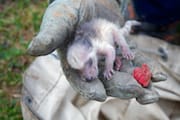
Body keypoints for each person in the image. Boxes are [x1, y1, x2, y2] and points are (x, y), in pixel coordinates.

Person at [21, 0, 180, 120]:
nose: (89, 72)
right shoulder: (84, 52)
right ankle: (155, 14)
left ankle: (159, 19)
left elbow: (110, 50)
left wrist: (112, 63)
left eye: (89, 64)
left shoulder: (97, 47)